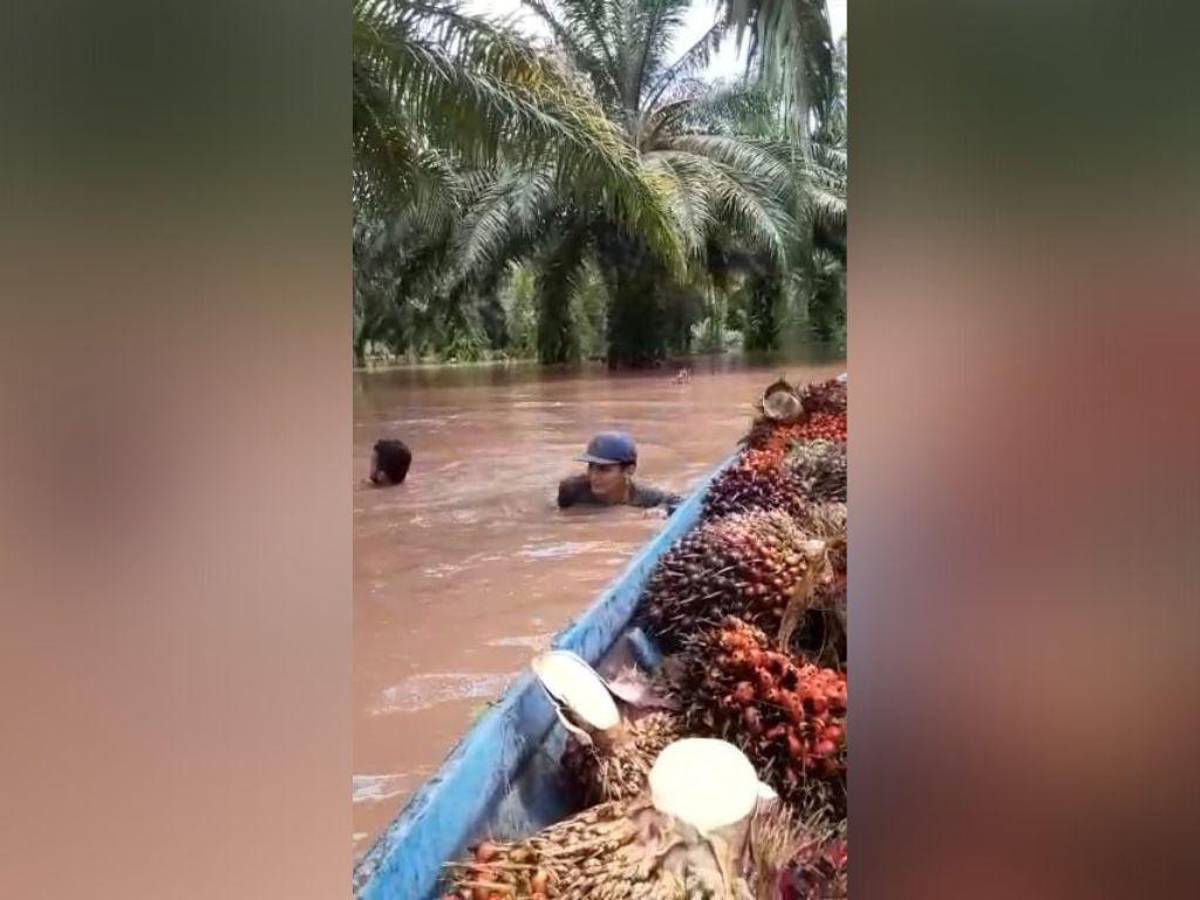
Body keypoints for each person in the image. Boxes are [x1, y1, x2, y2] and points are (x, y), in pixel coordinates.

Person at [557, 432, 682, 513]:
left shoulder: (643, 496)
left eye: (604, 469)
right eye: (591, 467)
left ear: (629, 470)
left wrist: (661, 510)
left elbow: (678, 503)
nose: (594, 476)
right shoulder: (571, 491)